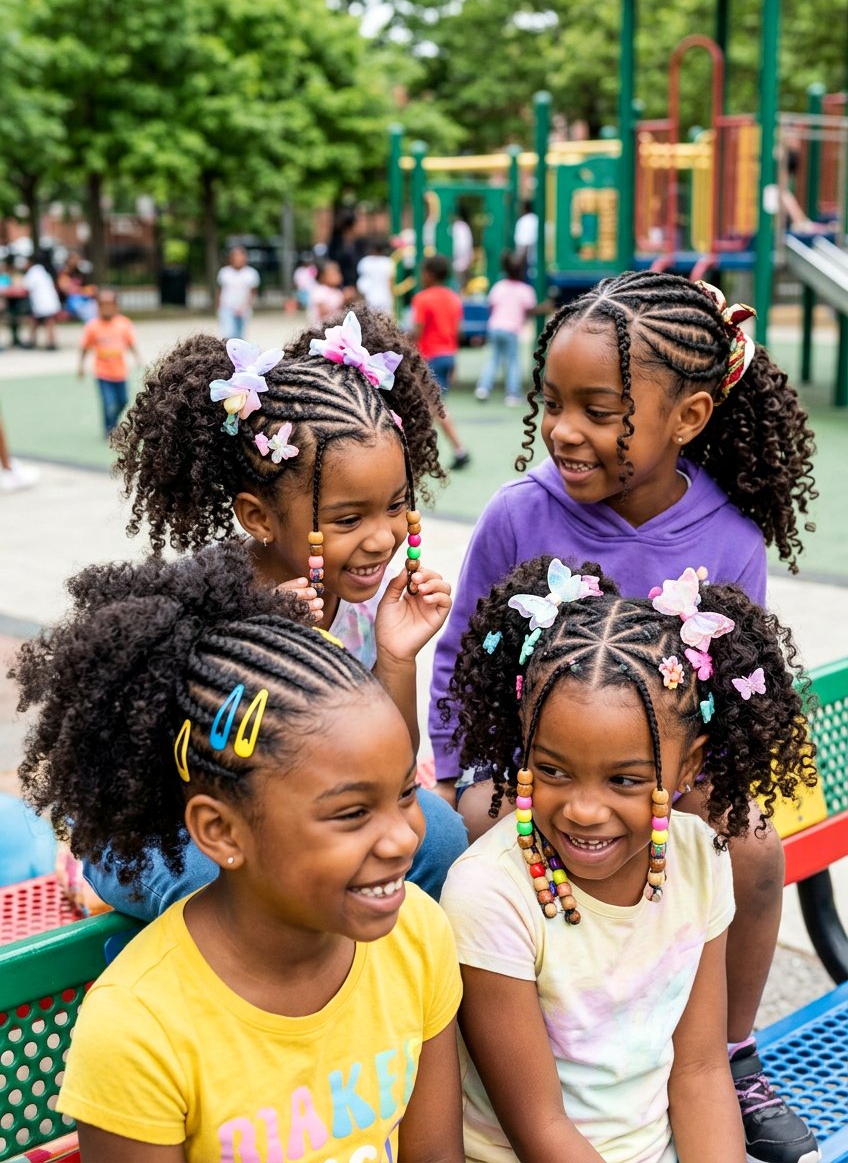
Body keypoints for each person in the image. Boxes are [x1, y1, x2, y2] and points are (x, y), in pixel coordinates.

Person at [429, 271, 819, 1163]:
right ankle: (549, 1062)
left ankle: (727, 1048)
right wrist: (462, 774)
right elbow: (460, 655)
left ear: (686, 418)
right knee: (486, 842)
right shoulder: (520, 515)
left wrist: (705, 788)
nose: (565, 430)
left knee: (750, 845)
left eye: (600, 410)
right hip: (534, 770)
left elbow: (733, 682)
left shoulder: (730, 539)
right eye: (554, 402)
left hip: (670, 777)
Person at [14, 543, 464, 1163]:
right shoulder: (139, 1030)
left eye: (405, 793)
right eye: (352, 813)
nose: (402, 839)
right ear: (221, 833)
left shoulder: (417, 934)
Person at [89, 306, 466, 917]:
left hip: (292, 816)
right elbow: (205, 782)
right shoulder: (211, 609)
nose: (381, 538)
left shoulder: (358, 600)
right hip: (166, 822)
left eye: (396, 506)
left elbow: (389, 773)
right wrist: (279, 660)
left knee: (441, 835)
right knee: (236, 884)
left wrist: (397, 655)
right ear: (258, 517)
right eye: (348, 519)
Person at [440, 555, 818, 1163]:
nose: (585, 811)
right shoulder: (490, 894)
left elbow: (698, 1071)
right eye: (555, 770)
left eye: (624, 780)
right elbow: (540, 1128)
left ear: (689, 766)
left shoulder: (700, 859)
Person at [411, 255, 471, 471]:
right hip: (448, 355)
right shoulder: (454, 298)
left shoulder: (423, 298)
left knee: (433, 406)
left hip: (430, 358)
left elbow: (418, 330)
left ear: (429, 274)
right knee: (428, 406)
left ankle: (459, 449)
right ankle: (421, 451)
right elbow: (457, 332)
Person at [475, 252, 537, 407]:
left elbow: (491, 305)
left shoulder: (499, 286)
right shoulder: (525, 289)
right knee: (512, 361)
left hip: (495, 326)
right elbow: (529, 310)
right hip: (511, 329)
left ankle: (483, 388)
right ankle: (512, 394)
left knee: (493, 358)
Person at [78, 289, 142, 437]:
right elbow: (85, 348)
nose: (106, 308)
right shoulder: (92, 327)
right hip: (103, 373)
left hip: (120, 372)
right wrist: (81, 366)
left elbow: (131, 343)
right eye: (103, 305)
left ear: (115, 306)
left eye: (109, 305)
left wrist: (137, 357)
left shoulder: (123, 324)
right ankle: (110, 429)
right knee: (108, 404)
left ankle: (113, 422)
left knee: (123, 401)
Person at [216, 245, 260, 340]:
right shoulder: (224, 272)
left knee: (240, 335)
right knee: (228, 333)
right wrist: (218, 306)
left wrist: (246, 306)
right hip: (227, 307)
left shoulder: (251, 273)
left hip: (243, 309)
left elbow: (253, 293)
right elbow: (219, 290)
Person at [23, 252, 62, 349]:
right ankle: (33, 341)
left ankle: (50, 343)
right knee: (37, 321)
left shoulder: (34, 271)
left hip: (42, 302)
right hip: (49, 300)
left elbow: (27, 287)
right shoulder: (44, 270)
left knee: (47, 321)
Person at [357, 238, 396, 313]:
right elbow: (390, 283)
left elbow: (361, 283)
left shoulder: (364, 262)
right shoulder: (388, 262)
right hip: (385, 298)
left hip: (370, 298)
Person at [308, 258, 345, 327]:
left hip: (334, 328)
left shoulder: (338, 292)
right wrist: (342, 300)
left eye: (338, 273)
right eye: (333, 274)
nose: (337, 276)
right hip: (320, 329)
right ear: (323, 277)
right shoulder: (319, 291)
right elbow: (322, 312)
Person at [451, 207, 474, 290]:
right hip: (461, 264)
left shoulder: (459, 226)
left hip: (458, 264)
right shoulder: (462, 226)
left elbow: (462, 247)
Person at [513, 198, 539, 271]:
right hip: (537, 264)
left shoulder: (524, 221)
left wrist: (519, 268)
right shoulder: (536, 219)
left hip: (526, 265)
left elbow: (524, 245)